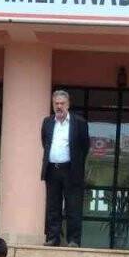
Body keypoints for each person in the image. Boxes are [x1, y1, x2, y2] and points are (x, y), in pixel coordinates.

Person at [40, 90, 90, 247]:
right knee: (52, 206)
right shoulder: (47, 122)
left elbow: (85, 146)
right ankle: (52, 237)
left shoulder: (79, 122)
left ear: (68, 105)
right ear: (53, 105)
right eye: (56, 103)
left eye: (62, 103)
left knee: (73, 206)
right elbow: (45, 142)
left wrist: (76, 164)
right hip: (52, 170)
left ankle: (73, 240)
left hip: (71, 170)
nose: (59, 106)